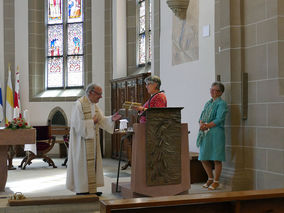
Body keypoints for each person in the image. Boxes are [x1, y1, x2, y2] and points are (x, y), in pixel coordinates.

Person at [66, 83, 121, 196]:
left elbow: (101, 120)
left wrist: (111, 119)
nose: (101, 97)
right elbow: (76, 125)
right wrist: (92, 122)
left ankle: (91, 189)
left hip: (92, 141)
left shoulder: (94, 106)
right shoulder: (79, 104)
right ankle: (82, 190)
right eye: (99, 94)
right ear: (91, 93)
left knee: (92, 165)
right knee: (82, 165)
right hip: (81, 143)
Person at [196, 82, 228, 190]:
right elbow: (201, 116)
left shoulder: (222, 104)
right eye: (211, 89)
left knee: (216, 158)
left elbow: (219, 118)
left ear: (220, 92)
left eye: (215, 90)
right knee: (203, 157)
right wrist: (201, 124)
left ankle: (216, 181)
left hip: (216, 132)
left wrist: (207, 125)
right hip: (205, 133)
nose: (212, 92)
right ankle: (210, 178)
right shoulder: (208, 103)